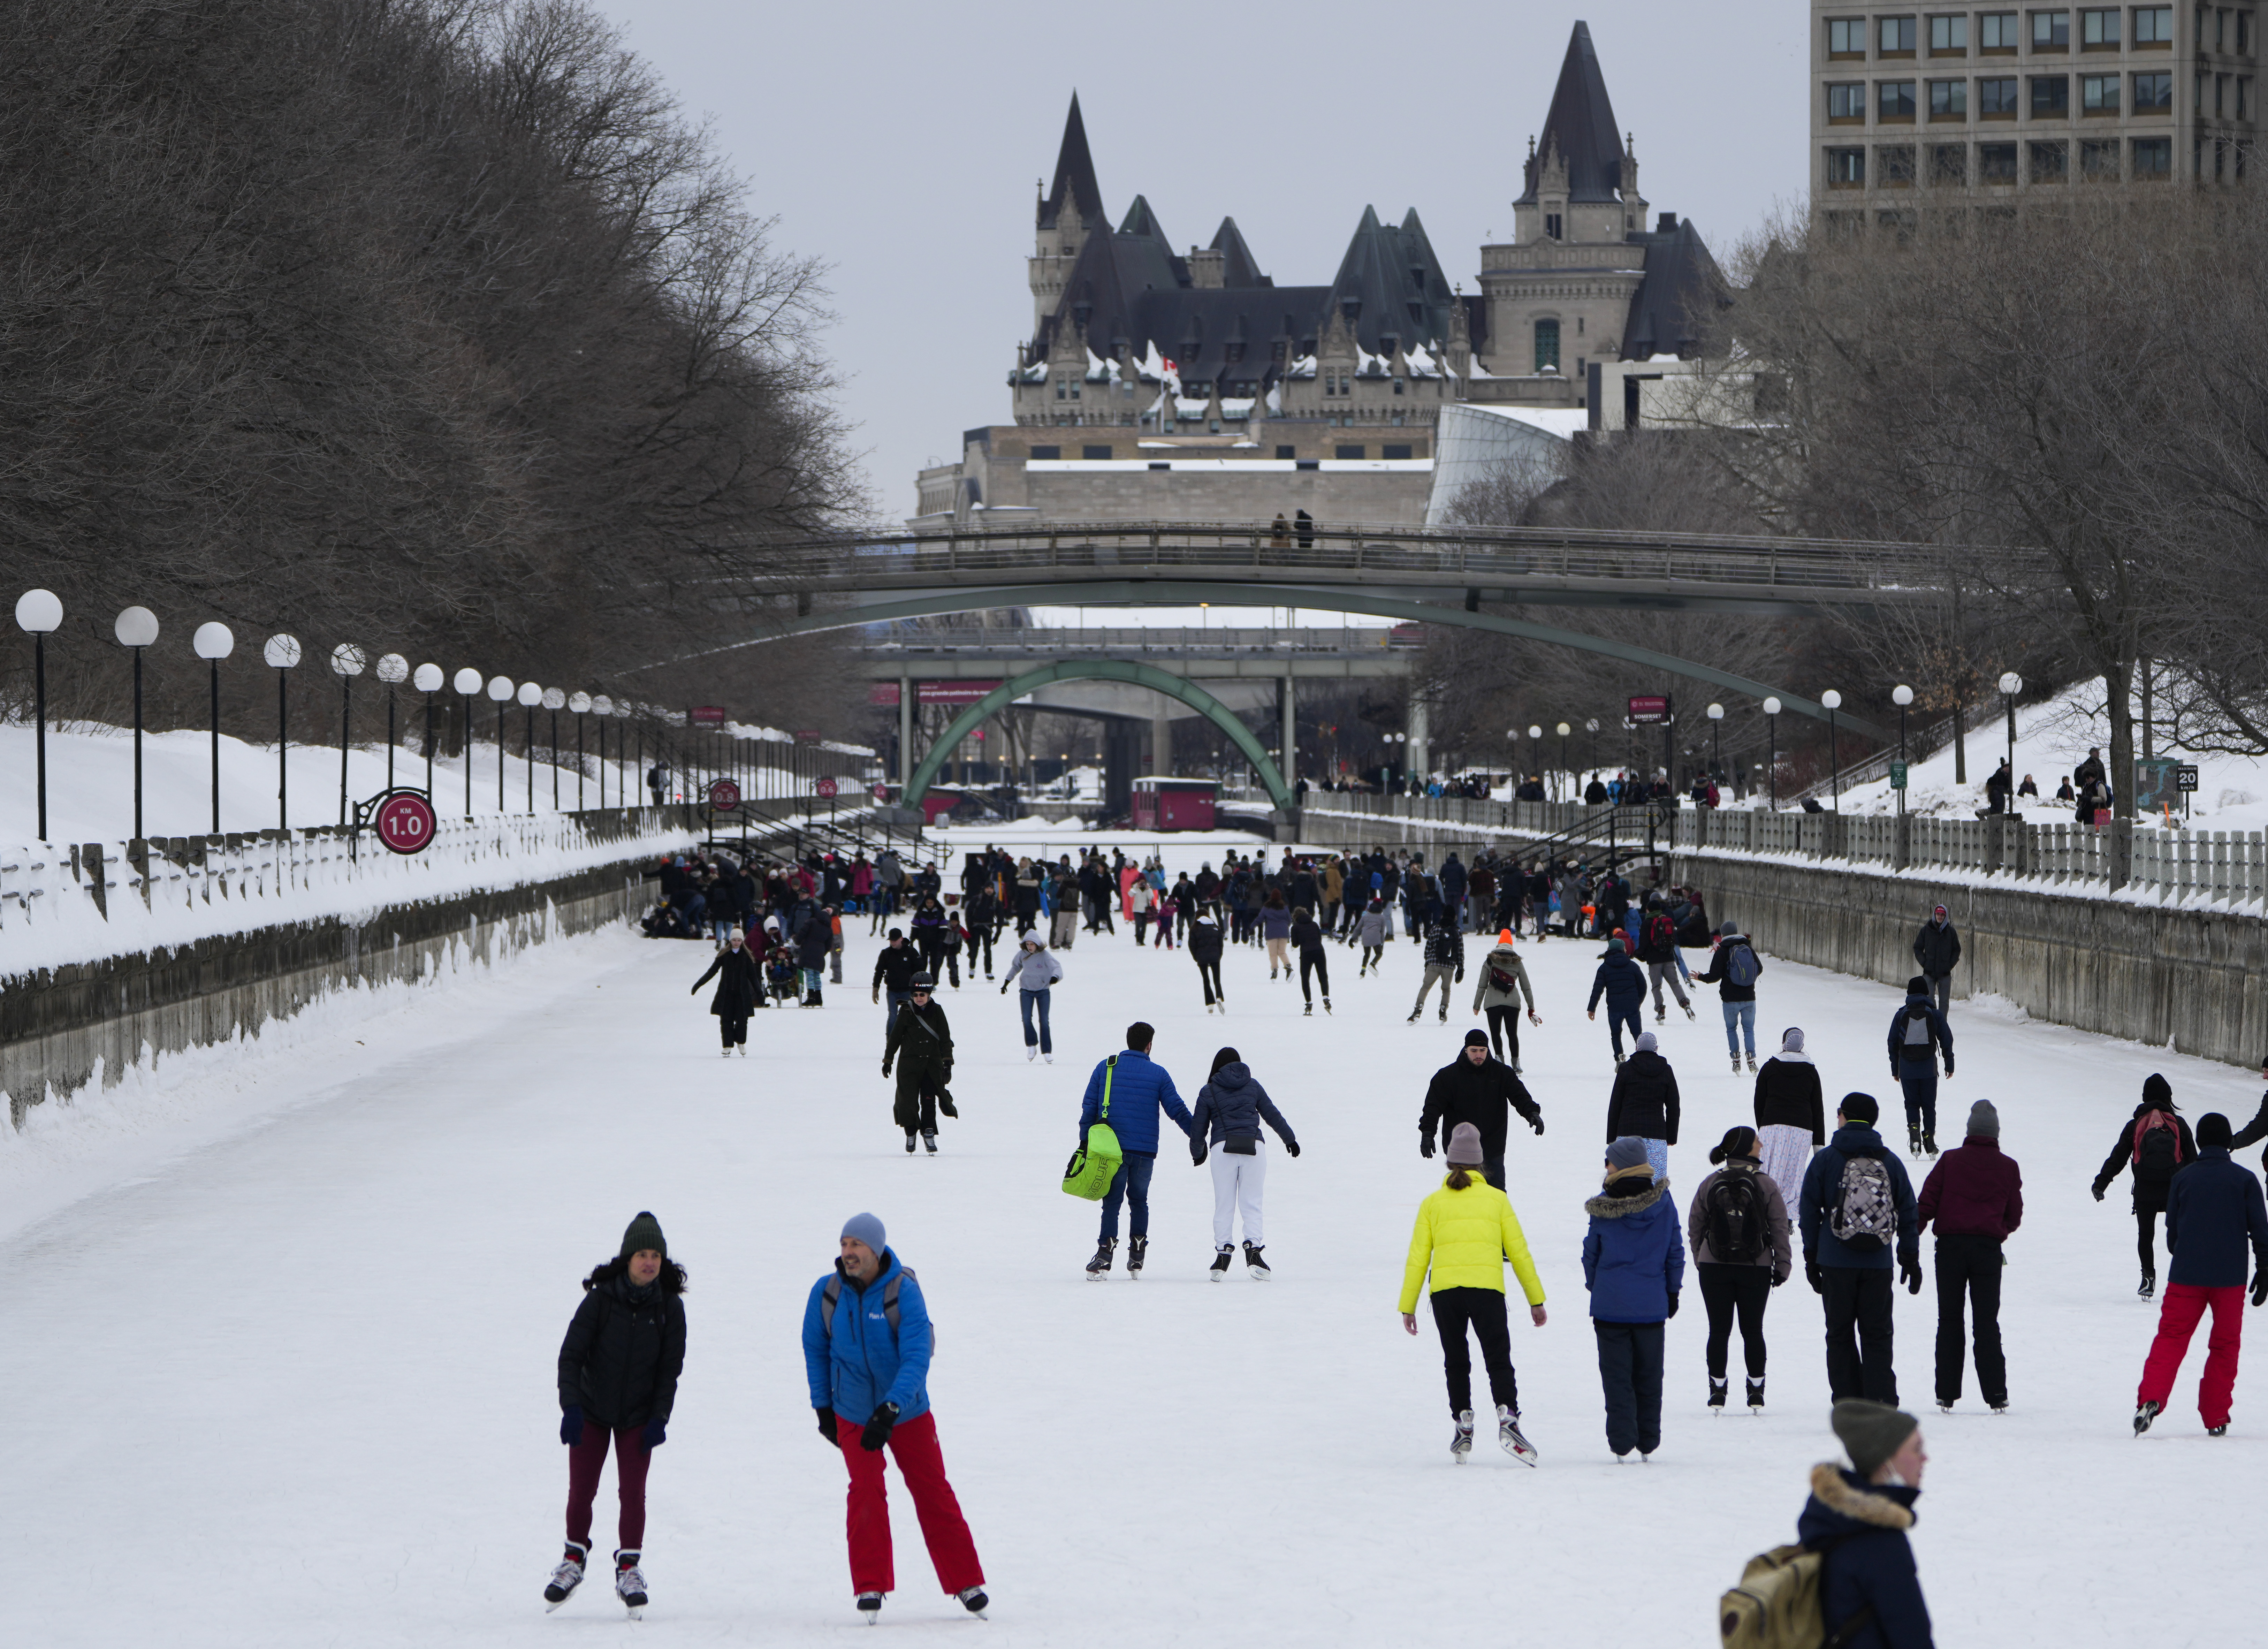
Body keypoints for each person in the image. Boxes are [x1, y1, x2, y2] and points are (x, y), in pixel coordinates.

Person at [802, 1213, 987, 1624]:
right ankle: (870, 1583)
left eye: (856, 1245)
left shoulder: (902, 1290)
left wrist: (892, 1406)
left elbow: (917, 1354)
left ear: (876, 1249)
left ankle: (965, 1580)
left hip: (906, 1410)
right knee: (865, 1492)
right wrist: (822, 1407)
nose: (848, 1253)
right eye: (844, 1243)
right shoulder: (827, 1291)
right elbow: (814, 1348)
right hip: (850, 1409)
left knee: (932, 1490)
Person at [547, 1212, 686, 1618]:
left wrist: (659, 1416)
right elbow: (570, 1356)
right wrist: (571, 1406)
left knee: (633, 1492)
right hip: (591, 1409)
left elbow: (669, 1369)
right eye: (642, 1253)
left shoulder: (669, 1307)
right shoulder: (600, 1299)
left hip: (639, 1414)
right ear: (627, 1258)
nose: (649, 1262)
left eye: (655, 1255)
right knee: (582, 1488)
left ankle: (629, 1568)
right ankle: (573, 1559)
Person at [1398, 1120, 1546, 1465]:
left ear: (1449, 1162)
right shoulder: (1497, 1199)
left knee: (1456, 1359)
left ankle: (1463, 1419)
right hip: (1486, 1289)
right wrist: (1535, 1299)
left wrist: (1409, 1306)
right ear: (1481, 1162)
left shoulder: (1431, 1203)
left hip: (1445, 1293)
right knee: (1497, 1356)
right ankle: (1507, 1417)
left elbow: (1418, 1257)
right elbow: (1519, 1251)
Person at [2133, 1111, 2268, 1436]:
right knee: (2224, 1346)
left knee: (2171, 1338)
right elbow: (2260, 1231)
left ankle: (2151, 1398)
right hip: (2229, 1279)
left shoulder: (2183, 1178)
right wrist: (2264, 1267)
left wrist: (2184, 1253)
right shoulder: (2245, 1180)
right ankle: (2216, 1416)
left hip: (2186, 1276)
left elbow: (2172, 1233)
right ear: (2225, 1142)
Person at [1799, 1093, 1921, 1404]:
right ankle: (1880, 1399)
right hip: (1878, 1262)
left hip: (1835, 1260)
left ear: (1842, 1115)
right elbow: (1908, 1209)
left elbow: (1809, 1210)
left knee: (1839, 1335)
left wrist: (1812, 1257)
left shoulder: (1826, 1159)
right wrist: (1909, 1255)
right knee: (1877, 1335)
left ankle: (1848, 1401)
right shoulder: (1890, 1161)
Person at [1794, 1401, 1935, 1649]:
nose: (1926, 1458)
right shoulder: (1881, 1543)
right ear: (1885, 1461)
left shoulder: (1829, 1519)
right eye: (1917, 1449)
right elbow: (1912, 1636)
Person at [1916, 1100, 2023, 1414]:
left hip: (1949, 1249)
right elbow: (2014, 1215)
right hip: (1988, 1252)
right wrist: (1998, 1230)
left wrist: (1911, 1236)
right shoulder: (2008, 1166)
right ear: (1996, 1133)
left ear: (1969, 1131)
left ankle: (1946, 1394)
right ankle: (1997, 1395)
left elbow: (1927, 1203)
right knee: (1987, 1322)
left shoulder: (1950, 1161)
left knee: (1949, 1319)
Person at [1583, 1136, 1686, 1460]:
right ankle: (1648, 1441)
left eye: (1609, 1161)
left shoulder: (1603, 1206)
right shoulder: (1664, 1202)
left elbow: (1591, 1254)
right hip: (1652, 1306)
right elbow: (1675, 1253)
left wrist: (1596, 1286)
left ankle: (1622, 1442)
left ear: (1622, 1165)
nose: (1606, 1166)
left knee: (1616, 1378)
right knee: (1649, 1376)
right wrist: (1672, 1292)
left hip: (1610, 1307)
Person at [1079, 1022, 1195, 1279]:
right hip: (1145, 1153)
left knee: (1112, 1203)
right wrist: (1197, 1137)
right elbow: (1176, 1108)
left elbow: (1089, 1107)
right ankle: (1138, 1253)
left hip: (1111, 1152)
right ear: (1149, 1045)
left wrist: (1084, 1143)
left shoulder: (1106, 1067)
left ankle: (1105, 1255)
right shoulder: (1159, 1074)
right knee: (1139, 1200)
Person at [1689, 1126, 1791, 1412]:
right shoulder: (1766, 1184)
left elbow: (1695, 1224)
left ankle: (1717, 1390)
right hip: (1755, 1266)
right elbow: (1780, 1227)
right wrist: (1782, 1264)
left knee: (1718, 1330)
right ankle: (1756, 1391)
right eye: (1756, 1140)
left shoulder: (1711, 1182)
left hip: (1714, 1267)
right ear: (1747, 1148)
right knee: (1753, 1330)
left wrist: (1701, 1257)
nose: (1761, 1143)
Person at [1189, 1046, 1300, 1279]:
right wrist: (1290, 1140)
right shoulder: (1253, 1085)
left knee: (1224, 1203)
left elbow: (1198, 1129)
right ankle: (1254, 1250)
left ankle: (1223, 1255)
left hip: (1222, 1149)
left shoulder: (1208, 1090)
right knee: (1253, 1202)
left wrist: (1198, 1153)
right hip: (1254, 1148)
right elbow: (1272, 1115)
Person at [2092, 1073, 2198, 1297]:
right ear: (2168, 1098)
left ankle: (2148, 1277)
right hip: (2174, 1190)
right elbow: (2192, 1161)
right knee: (2179, 1233)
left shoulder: (2136, 1124)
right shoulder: (2178, 1124)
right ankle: (2186, 1277)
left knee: (2146, 1235)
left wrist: (2101, 1182)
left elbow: (2119, 1157)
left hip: (2146, 1189)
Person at [1421, 1029, 1546, 1190]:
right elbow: (1433, 1107)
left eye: (1483, 1051)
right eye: (1474, 1051)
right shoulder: (1447, 1076)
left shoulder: (1502, 1073)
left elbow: (1519, 1096)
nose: (1479, 1055)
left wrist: (1532, 1113)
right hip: (1460, 1151)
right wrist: (1428, 1133)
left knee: (1496, 1197)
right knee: (1461, 1199)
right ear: (1466, 1050)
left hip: (1492, 1148)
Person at [1752, 1026, 1825, 1208]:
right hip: (1802, 1130)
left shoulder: (1770, 1067)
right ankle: (1786, 1215)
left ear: (1784, 1044)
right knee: (1794, 1175)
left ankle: (1766, 1210)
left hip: (1772, 1126)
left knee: (1769, 1171)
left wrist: (1763, 1126)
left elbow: (1759, 1101)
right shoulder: (1811, 1072)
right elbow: (1817, 1108)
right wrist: (1819, 1144)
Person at [881, 977, 954, 1156]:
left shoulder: (937, 1011)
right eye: (915, 995)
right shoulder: (906, 1012)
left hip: (931, 1064)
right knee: (907, 1101)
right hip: (909, 1065)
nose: (919, 998)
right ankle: (911, 1132)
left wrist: (947, 1063)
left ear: (929, 994)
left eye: (923, 994)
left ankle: (929, 1133)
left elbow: (945, 1037)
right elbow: (895, 1038)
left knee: (929, 1100)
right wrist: (888, 1061)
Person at [1887, 977, 1955, 1157]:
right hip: (1929, 1069)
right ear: (1927, 993)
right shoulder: (1935, 1014)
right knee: (1929, 1106)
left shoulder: (1901, 1014)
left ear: (1909, 993)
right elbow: (1946, 1039)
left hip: (1907, 1069)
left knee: (1911, 1103)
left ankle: (1915, 1132)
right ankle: (1930, 1138)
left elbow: (1892, 1042)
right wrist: (1950, 1063)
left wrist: (1896, 1069)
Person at [1605, 1030, 1681, 1182]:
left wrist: (1612, 1137)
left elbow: (1615, 1104)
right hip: (1657, 1135)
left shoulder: (1626, 1069)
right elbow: (1674, 1107)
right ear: (1656, 1049)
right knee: (1655, 1187)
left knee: (1621, 1183)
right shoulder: (1666, 1070)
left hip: (1627, 1134)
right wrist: (1671, 1137)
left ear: (1636, 1048)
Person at [1697, 920, 1764, 1074]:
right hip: (1749, 998)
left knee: (1731, 1029)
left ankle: (1736, 1061)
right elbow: (1759, 968)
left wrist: (1700, 977)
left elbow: (1714, 977)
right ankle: (1752, 1060)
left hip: (1730, 1000)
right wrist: (1747, 980)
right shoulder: (1747, 947)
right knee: (1749, 1029)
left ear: (1723, 935)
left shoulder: (1722, 951)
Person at [1470, 929, 1540, 1069]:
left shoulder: (1490, 961)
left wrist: (1477, 1005)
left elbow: (1482, 985)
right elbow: (1526, 986)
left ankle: (1499, 1061)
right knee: (1512, 1033)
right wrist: (1531, 1006)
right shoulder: (1518, 963)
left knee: (1496, 1033)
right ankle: (1516, 1064)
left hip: (1492, 1002)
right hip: (1513, 1003)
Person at [691, 929, 761, 1055]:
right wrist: (698, 984)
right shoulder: (724, 955)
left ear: (742, 941)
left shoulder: (746, 957)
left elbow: (753, 977)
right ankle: (728, 1045)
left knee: (742, 1020)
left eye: (739, 940)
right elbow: (712, 971)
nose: (736, 943)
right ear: (730, 940)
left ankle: (741, 1042)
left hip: (742, 994)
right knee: (726, 1020)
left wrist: (759, 993)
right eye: (734, 940)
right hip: (726, 993)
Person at [998, 934, 1062, 1063]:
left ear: (1037, 944)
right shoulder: (1022, 954)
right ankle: (1032, 1045)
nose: (1030, 947)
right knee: (1026, 1019)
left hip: (1043, 991)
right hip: (1026, 991)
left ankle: (1047, 1051)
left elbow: (1057, 967)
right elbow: (1015, 967)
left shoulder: (1045, 955)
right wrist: (1007, 981)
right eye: (1027, 945)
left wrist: (1055, 977)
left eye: (1032, 944)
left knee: (1044, 1021)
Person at [1585, 933, 1647, 1065]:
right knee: (1638, 1035)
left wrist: (1592, 1009)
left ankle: (1619, 1058)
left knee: (1616, 1034)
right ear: (1622, 950)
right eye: (1625, 948)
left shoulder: (1604, 968)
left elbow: (1597, 989)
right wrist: (1638, 1002)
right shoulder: (1633, 966)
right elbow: (1643, 986)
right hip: (1632, 1007)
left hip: (1614, 1008)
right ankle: (1643, 1059)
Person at [1634, 895, 1694, 1024]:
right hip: (1669, 958)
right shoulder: (1666, 920)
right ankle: (1685, 1003)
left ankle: (1660, 1010)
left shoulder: (1647, 923)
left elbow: (1643, 944)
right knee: (1675, 983)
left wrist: (1638, 955)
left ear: (1648, 910)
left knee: (1656, 987)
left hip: (1654, 961)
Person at [1407, 916, 1466, 1025]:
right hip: (1449, 965)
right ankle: (1443, 1010)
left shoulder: (1436, 929)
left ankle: (1418, 1010)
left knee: (1425, 987)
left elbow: (1429, 947)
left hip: (1434, 963)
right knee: (1446, 989)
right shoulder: (1457, 931)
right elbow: (1460, 950)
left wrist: (1427, 962)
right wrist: (1460, 967)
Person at [1910, 906, 1960, 1019]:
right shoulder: (1926, 930)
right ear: (1934, 915)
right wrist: (1924, 963)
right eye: (1938, 914)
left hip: (1945, 973)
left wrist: (1950, 965)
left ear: (1946, 916)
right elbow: (1917, 948)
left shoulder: (1951, 932)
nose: (1940, 917)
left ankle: (1942, 1025)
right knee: (1928, 998)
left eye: (1942, 915)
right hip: (1929, 972)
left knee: (1944, 1002)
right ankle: (1932, 1022)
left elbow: (1957, 950)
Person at [872, 928, 921, 1033]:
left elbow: (919, 971)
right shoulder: (886, 953)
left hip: (907, 991)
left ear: (901, 939)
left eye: (895, 940)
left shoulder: (911, 952)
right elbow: (879, 971)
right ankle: (890, 1040)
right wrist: (876, 988)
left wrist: (919, 989)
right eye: (891, 940)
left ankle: (908, 1040)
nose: (893, 942)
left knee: (908, 1017)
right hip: (892, 991)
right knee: (893, 1016)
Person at [1290, 904, 1332, 1016]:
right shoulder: (1314, 925)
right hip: (1319, 951)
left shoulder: (1295, 928)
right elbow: (1319, 939)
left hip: (1306, 954)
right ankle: (1326, 998)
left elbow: (1295, 944)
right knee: (1323, 976)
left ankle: (1309, 1003)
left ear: (1295, 917)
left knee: (1305, 978)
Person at [1188, 911, 1227, 1013]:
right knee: (1217, 980)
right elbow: (1220, 943)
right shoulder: (1215, 927)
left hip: (1202, 957)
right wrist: (1219, 955)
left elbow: (1192, 944)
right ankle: (1219, 997)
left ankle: (1210, 1004)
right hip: (1215, 957)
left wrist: (1196, 957)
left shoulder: (1194, 929)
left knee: (1206, 980)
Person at [1353, 896, 1392, 975]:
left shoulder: (1365, 916)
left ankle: (1363, 971)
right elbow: (1382, 932)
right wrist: (1382, 943)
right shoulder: (1382, 918)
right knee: (1379, 953)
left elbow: (1357, 929)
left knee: (1367, 955)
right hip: (1376, 938)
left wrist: (1353, 939)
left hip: (1365, 937)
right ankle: (1373, 964)